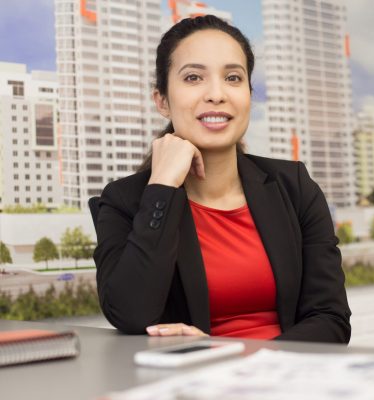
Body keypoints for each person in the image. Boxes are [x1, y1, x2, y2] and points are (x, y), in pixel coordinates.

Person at [93, 15, 351, 343]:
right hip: (190, 387)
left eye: (232, 77)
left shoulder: (295, 187)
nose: (217, 94)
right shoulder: (124, 200)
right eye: (193, 78)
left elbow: (331, 320)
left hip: (289, 381)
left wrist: (236, 359)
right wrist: (161, 188)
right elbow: (129, 314)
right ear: (162, 101)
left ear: (249, 94)